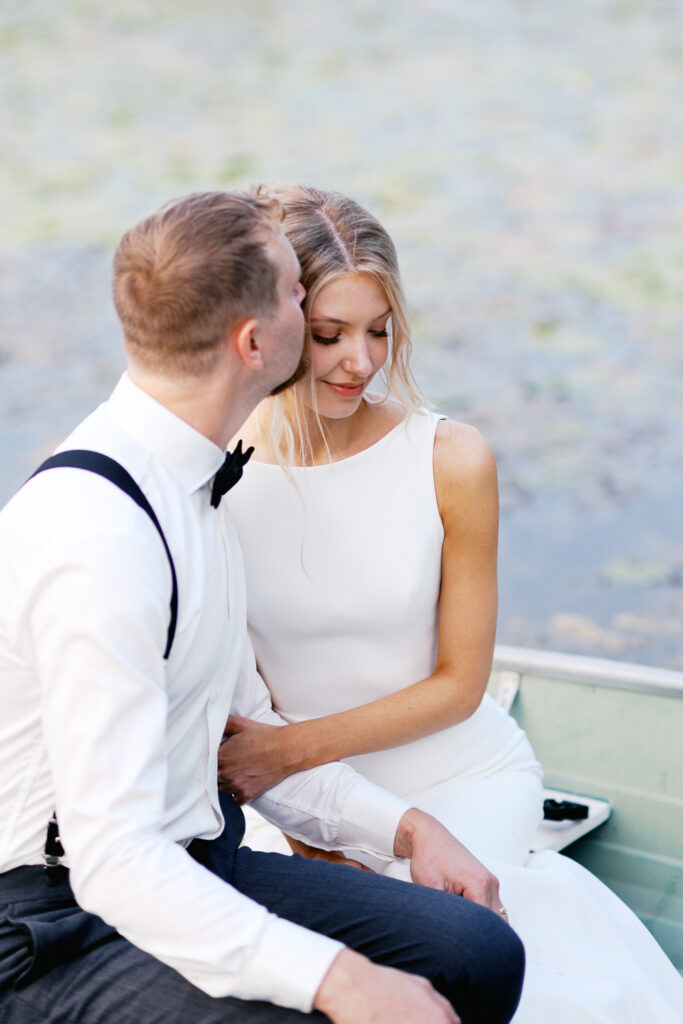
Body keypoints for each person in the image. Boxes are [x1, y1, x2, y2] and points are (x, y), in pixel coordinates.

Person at [0, 190, 527, 1024]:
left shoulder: (200, 484)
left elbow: (245, 729)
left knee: (477, 953)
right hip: (57, 916)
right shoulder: (99, 533)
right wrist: (338, 979)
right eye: (299, 298)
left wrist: (405, 829)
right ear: (258, 342)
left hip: (201, 853)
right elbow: (113, 859)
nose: (322, 318)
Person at [220, 185, 683, 1022]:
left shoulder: (449, 459)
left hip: (455, 777)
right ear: (276, 323)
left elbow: (458, 685)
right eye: (328, 335)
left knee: (443, 955)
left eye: (378, 331)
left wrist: (282, 755)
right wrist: (304, 837)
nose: (358, 361)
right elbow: (239, 699)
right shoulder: (215, 472)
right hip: (289, 800)